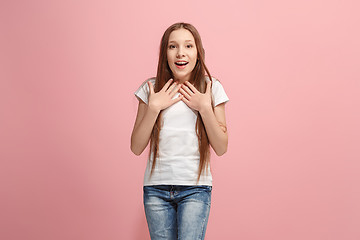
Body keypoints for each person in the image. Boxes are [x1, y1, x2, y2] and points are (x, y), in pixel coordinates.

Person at [130, 22, 229, 240]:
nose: (180, 53)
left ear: (198, 53)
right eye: (173, 46)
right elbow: (136, 147)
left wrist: (204, 107)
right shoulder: (151, 88)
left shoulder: (211, 88)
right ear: (164, 52)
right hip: (156, 189)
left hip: (195, 189)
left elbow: (221, 147)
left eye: (188, 46)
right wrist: (154, 107)